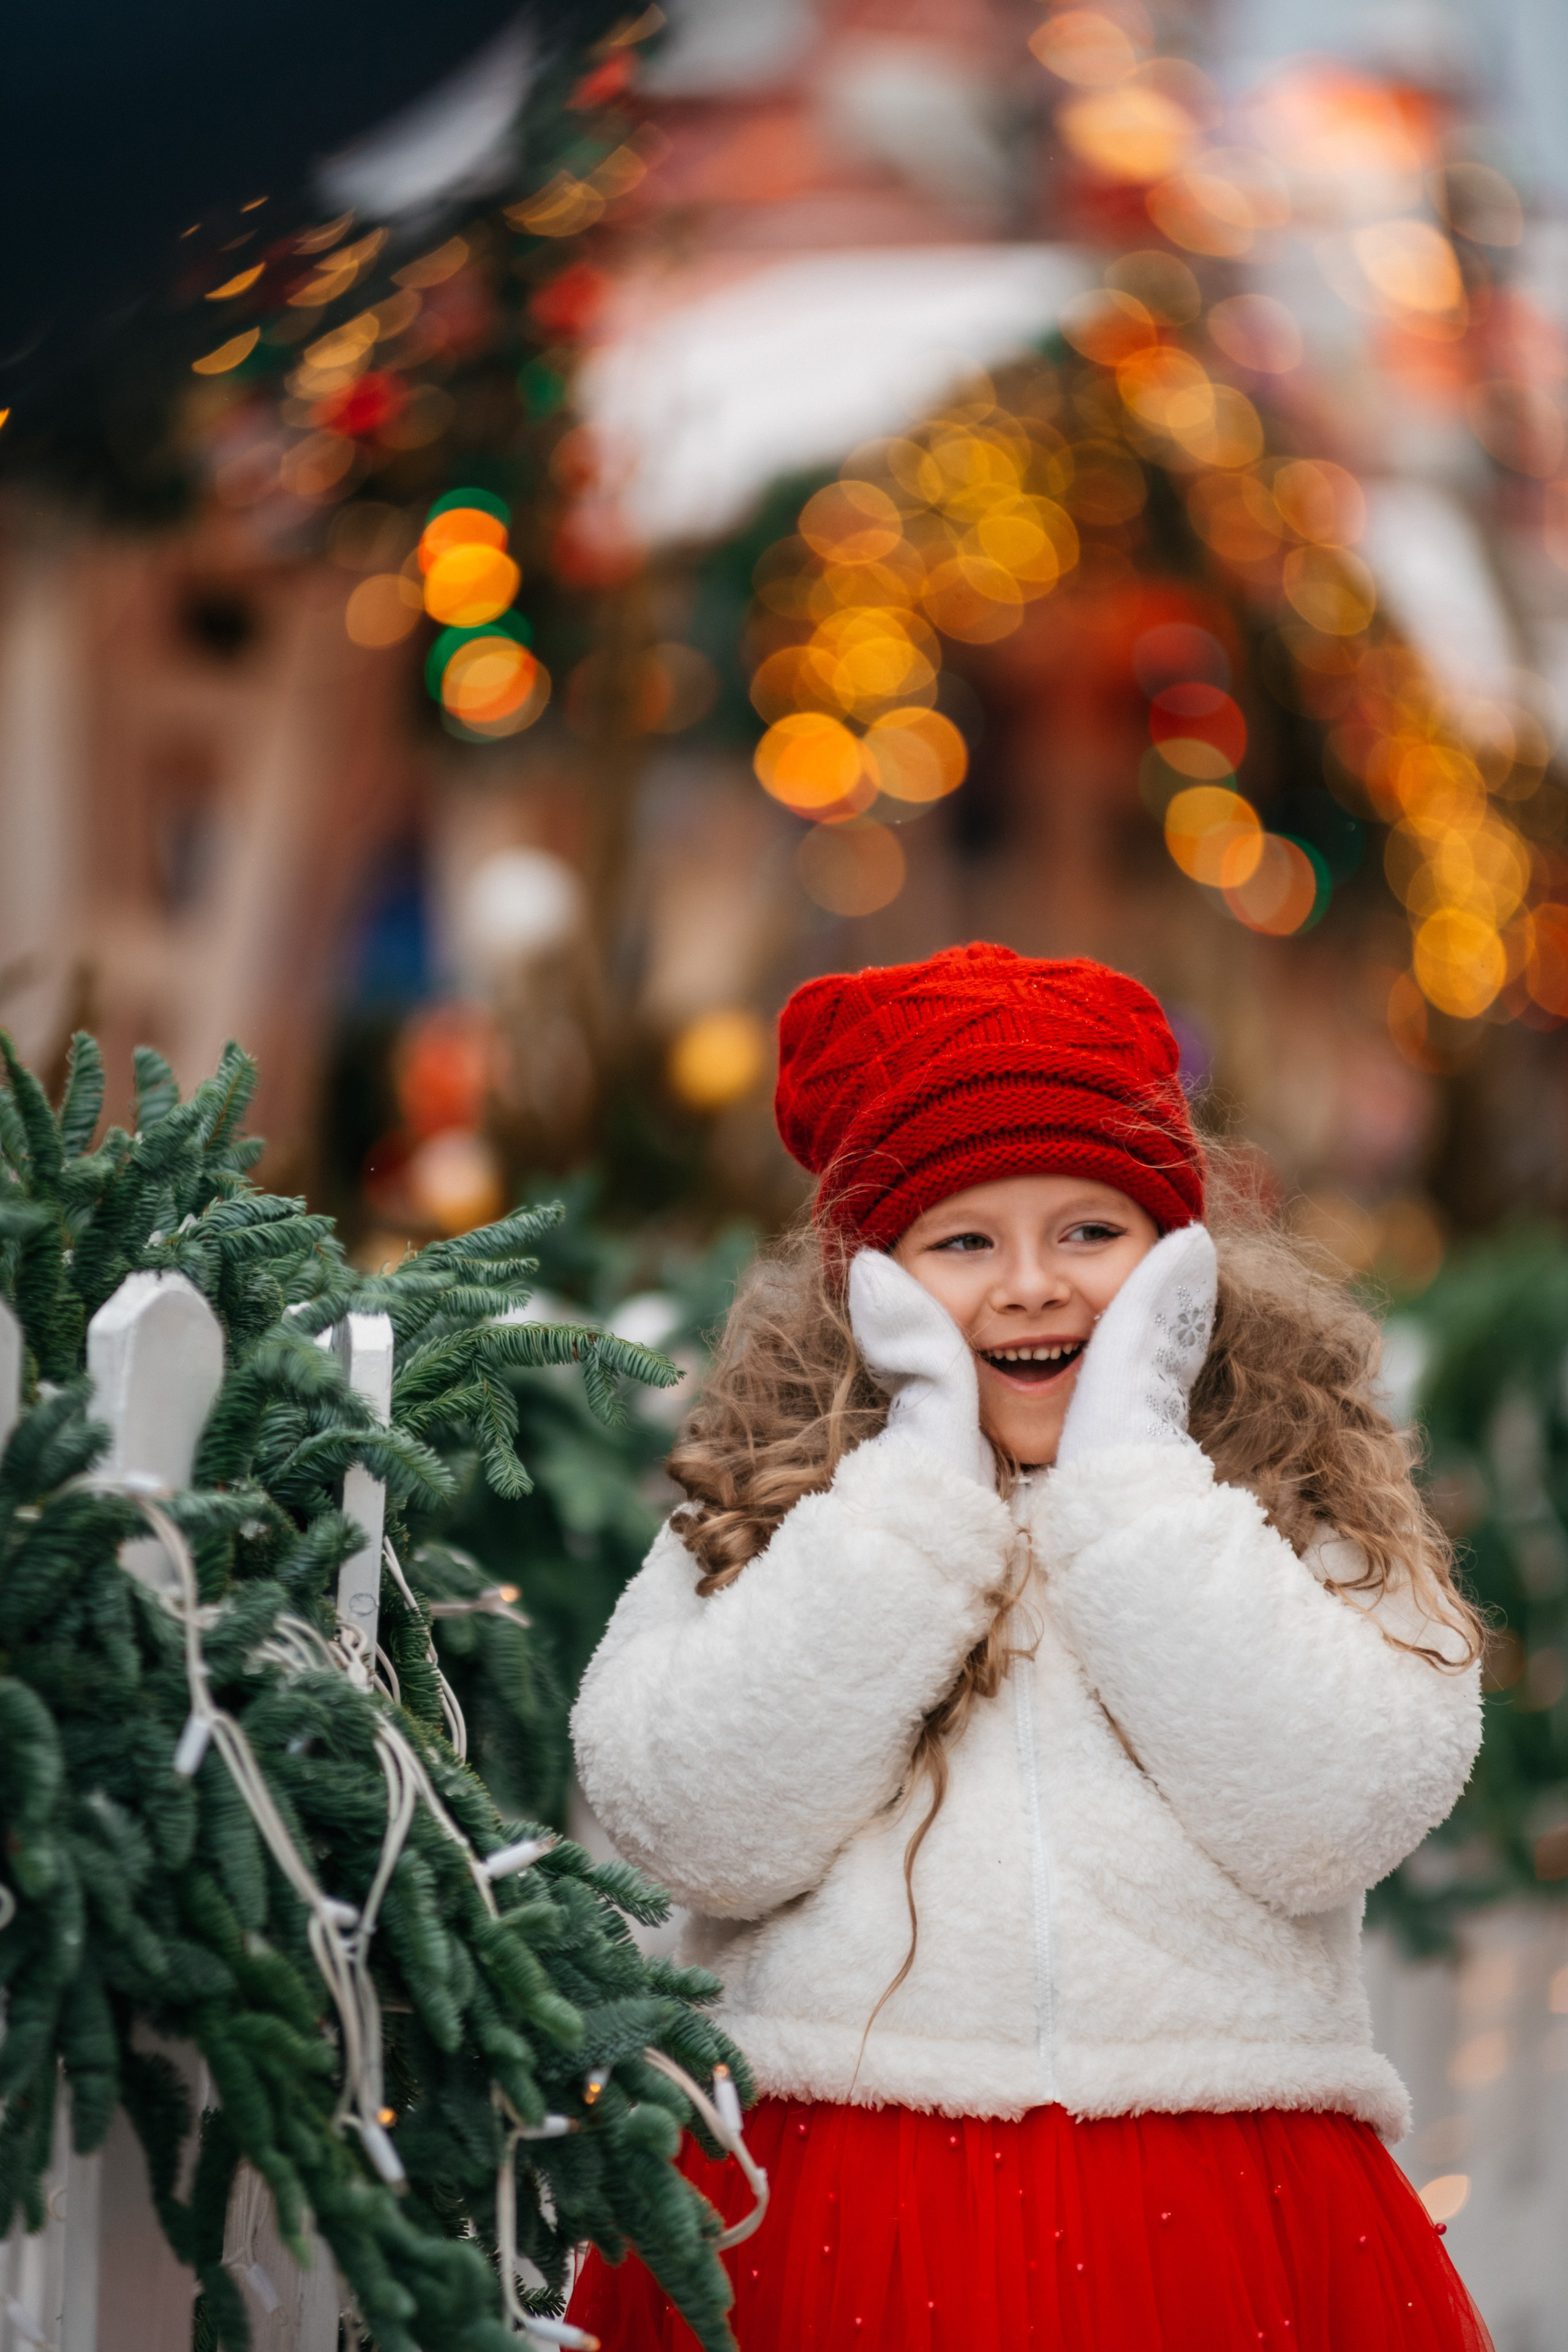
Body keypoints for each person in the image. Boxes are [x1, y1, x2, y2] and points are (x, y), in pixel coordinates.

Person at [568, 944, 1489, 2352]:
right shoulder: (775, 1510)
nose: (1029, 1289)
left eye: (1086, 1231)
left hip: (1225, 2199)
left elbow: (1333, 1812)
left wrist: (1131, 1489)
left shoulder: (1290, 1498)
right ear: (867, 1282)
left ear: (1177, 1256)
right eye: (960, 1242)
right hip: (826, 2201)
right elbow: (692, 1821)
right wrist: (914, 1501)